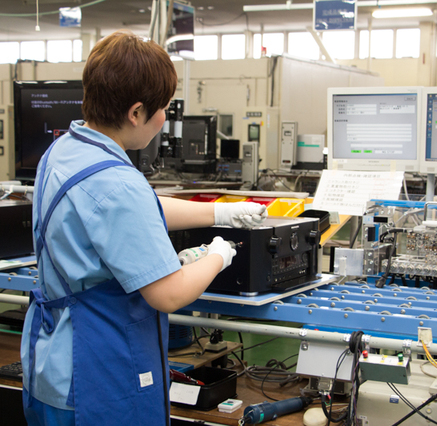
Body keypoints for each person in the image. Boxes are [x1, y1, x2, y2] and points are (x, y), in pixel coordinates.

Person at [20, 30, 267, 426]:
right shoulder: (118, 183)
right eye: (164, 108)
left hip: (53, 362)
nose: (165, 118)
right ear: (136, 113)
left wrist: (219, 213)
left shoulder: (66, 149)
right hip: (98, 375)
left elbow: (132, 209)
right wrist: (217, 256)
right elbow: (169, 293)